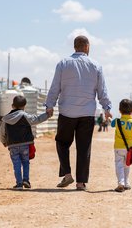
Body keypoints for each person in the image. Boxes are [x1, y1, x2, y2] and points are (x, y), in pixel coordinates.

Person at [46, 35, 112, 191]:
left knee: (62, 143)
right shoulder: (96, 65)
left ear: (74, 46)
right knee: (84, 147)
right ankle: (81, 183)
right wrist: (107, 108)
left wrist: (49, 105)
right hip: (87, 114)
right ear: (87, 47)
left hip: (67, 112)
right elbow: (102, 90)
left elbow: (55, 87)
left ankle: (67, 174)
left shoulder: (63, 64)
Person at [0, 95, 50, 189]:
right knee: (26, 162)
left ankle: (19, 184)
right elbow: (36, 119)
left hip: (13, 145)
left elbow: (2, 132)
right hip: (25, 145)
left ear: (12, 106)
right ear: (24, 106)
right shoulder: (25, 116)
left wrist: (3, 141)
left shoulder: (6, 119)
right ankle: (26, 180)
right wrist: (47, 114)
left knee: (16, 164)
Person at [111, 99, 132, 192]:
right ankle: (127, 183)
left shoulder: (117, 121)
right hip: (129, 148)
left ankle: (121, 183)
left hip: (118, 147)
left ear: (119, 110)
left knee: (119, 165)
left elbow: (112, 124)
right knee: (127, 165)